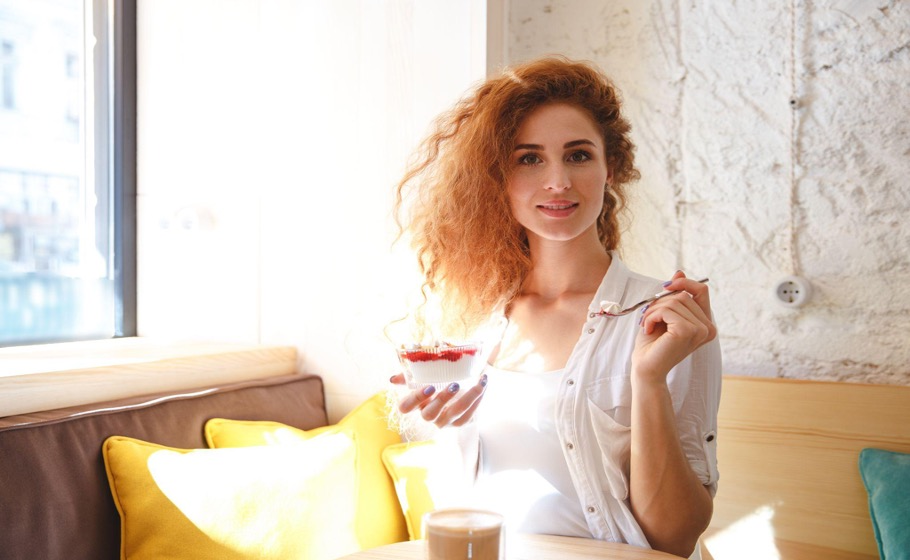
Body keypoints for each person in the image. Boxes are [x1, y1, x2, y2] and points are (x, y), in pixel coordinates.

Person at [389, 56, 721, 559]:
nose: (559, 181)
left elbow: (674, 539)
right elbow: (468, 504)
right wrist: (446, 427)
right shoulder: (471, 325)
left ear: (611, 169)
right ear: (497, 178)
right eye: (529, 158)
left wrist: (648, 379)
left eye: (578, 155)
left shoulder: (667, 322)